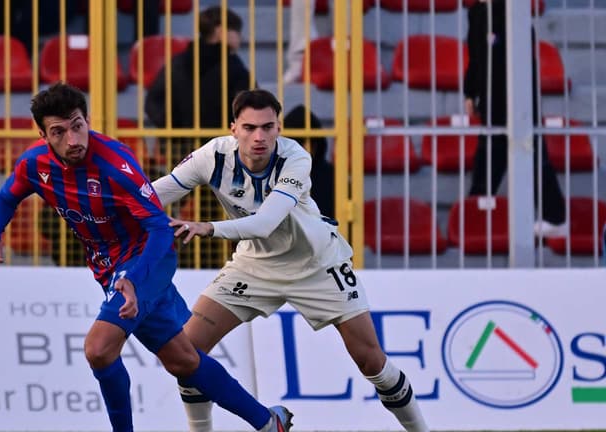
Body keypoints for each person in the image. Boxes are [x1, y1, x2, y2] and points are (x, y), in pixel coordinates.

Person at [0, 83, 293, 432]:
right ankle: (267, 421)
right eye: (59, 132)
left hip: (147, 259)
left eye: (78, 125)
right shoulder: (35, 164)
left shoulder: (115, 163)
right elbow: (6, 198)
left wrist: (134, 280)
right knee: (182, 358)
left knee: (98, 349)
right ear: (43, 135)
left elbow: (158, 228)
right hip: (109, 267)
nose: (73, 140)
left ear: (87, 120)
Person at [152, 89, 430, 432]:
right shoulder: (212, 156)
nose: (260, 136)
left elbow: (265, 222)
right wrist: (107, 206)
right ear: (233, 128)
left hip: (317, 264)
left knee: (371, 361)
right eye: (250, 127)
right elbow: (153, 195)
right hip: (254, 265)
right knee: (186, 354)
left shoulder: (296, 158)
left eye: (268, 127)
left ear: (279, 128)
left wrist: (206, 227)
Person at [145, 5, 253, 268]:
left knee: (171, 205)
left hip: (180, 147)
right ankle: (206, 264)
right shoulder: (234, 67)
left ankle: (172, 257)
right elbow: (248, 108)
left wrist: (174, 131)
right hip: (219, 153)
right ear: (220, 31)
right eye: (235, 31)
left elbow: (153, 102)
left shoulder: (179, 61)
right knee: (214, 213)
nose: (239, 38)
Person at [464, 0, 567, 237]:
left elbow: (522, 62)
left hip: (517, 101)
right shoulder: (477, 14)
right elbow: (475, 57)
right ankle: (476, 219)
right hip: (491, 102)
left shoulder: (513, 14)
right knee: (490, 160)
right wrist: (470, 91)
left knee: (526, 155)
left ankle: (555, 216)